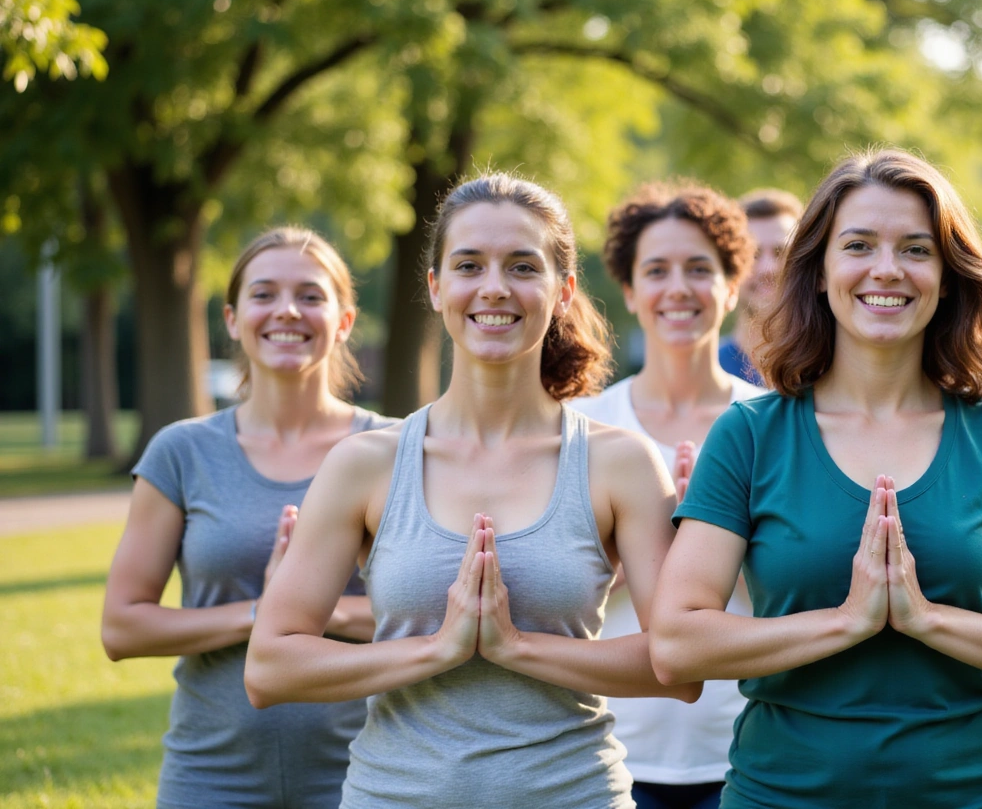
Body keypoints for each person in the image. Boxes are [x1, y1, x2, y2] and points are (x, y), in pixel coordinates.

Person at [651, 149, 982, 809]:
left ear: (948, 277)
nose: (886, 270)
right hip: (783, 795)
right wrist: (847, 622)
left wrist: (923, 618)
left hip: (976, 794)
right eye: (859, 245)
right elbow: (675, 643)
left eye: (916, 250)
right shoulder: (749, 436)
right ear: (819, 271)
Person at [243, 173, 699, 808]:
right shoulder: (364, 465)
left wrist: (516, 647)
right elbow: (269, 667)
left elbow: (678, 667)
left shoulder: (617, 462)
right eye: (468, 265)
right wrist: (436, 650)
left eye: (521, 266)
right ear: (436, 288)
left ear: (562, 291)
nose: (494, 288)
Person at [101, 226, 394, 809]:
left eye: (311, 295)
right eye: (264, 294)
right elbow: (122, 627)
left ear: (343, 321)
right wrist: (263, 612)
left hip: (370, 774)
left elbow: (434, 616)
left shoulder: (395, 448)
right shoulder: (181, 452)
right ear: (233, 318)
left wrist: (321, 610)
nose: (287, 310)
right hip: (208, 777)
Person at [571, 182, 765, 809]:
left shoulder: (777, 424)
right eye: (656, 270)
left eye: (699, 269)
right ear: (629, 291)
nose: (677, 288)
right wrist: (662, 553)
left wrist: (715, 547)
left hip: (750, 754)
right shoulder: (580, 423)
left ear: (733, 286)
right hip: (603, 756)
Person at [719, 188, 802, 384]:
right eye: (753, 255)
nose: (768, 269)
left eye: (781, 252)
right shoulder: (705, 376)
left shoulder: (833, 371)